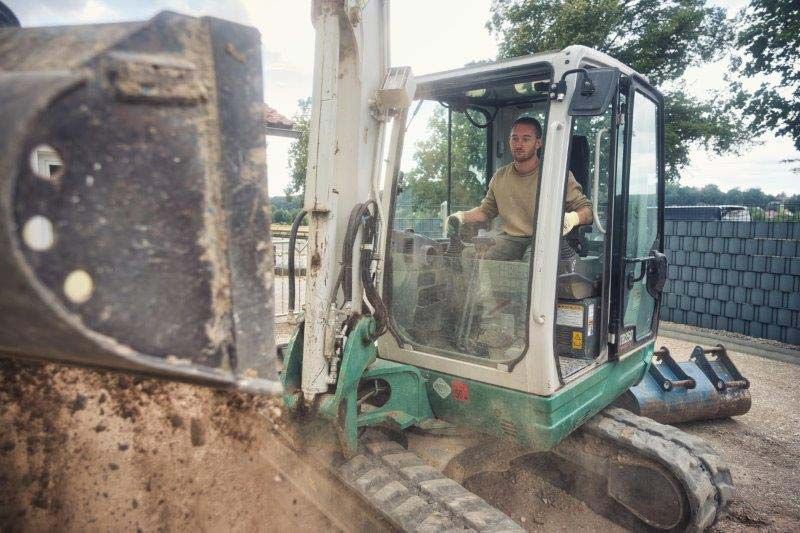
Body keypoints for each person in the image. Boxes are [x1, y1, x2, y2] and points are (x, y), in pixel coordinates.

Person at [448, 116, 592, 261]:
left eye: (526, 139)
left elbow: (587, 212)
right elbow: (485, 211)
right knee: (470, 256)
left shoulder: (558, 175)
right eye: (514, 138)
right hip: (510, 239)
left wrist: (572, 218)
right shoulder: (500, 176)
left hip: (544, 238)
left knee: (530, 268)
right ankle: (484, 285)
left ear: (538, 143)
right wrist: (460, 216)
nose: (519, 144)